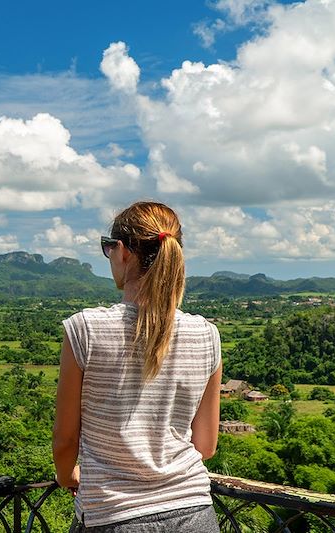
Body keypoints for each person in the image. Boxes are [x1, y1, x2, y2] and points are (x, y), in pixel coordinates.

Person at [52, 201, 222, 532]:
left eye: (108, 248)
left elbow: (65, 438)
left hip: (113, 514)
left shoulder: (86, 330)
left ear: (125, 252)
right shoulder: (207, 335)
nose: (109, 258)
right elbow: (206, 446)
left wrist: (66, 474)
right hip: (195, 512)